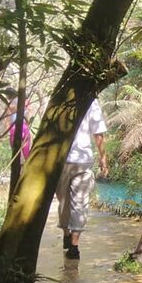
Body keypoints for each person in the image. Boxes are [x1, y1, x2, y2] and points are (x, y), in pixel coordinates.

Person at [56, 99, 108, 260]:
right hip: (82, 160)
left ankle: (71, 240)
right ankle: (73, 244)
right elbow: (98, 133)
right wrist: (103, 157)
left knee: (64, 201)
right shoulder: (91, 102)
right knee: (79, 203)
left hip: (62, 160)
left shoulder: (61, 98)